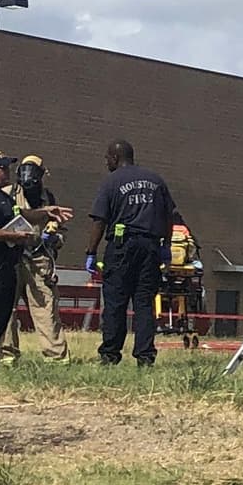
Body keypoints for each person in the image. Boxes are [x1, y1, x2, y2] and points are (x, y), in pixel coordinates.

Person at [0, 150, 73, 368]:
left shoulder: (4, 197)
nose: (9, 171)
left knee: (28, 309)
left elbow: (21, 214)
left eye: (8, 167)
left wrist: (46, 212)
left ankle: (54, 357)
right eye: (2, 167)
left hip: (25, 260)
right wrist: (17, 236)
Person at [86, 139, 177, 366]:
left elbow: (100, 220)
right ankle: (145, 356)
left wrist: (91, 251)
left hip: (122, 246)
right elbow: (169, 216)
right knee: (144, 303)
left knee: (116, 302)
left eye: (107, 158)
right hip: (150, 247)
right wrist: (165, 246)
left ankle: (110, 354)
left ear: (115, 158)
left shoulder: (111, 182)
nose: (106, 162)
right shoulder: (156, 181)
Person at [0, 154, 70, 364]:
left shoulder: (49, 198)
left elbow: (60, 228)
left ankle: (56, 358)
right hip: (12, 257)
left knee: (46, 308)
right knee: (7, 310)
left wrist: (54, 238)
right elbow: (8, 216)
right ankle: (7, 356)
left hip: (39, 259)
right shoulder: (7, 194)